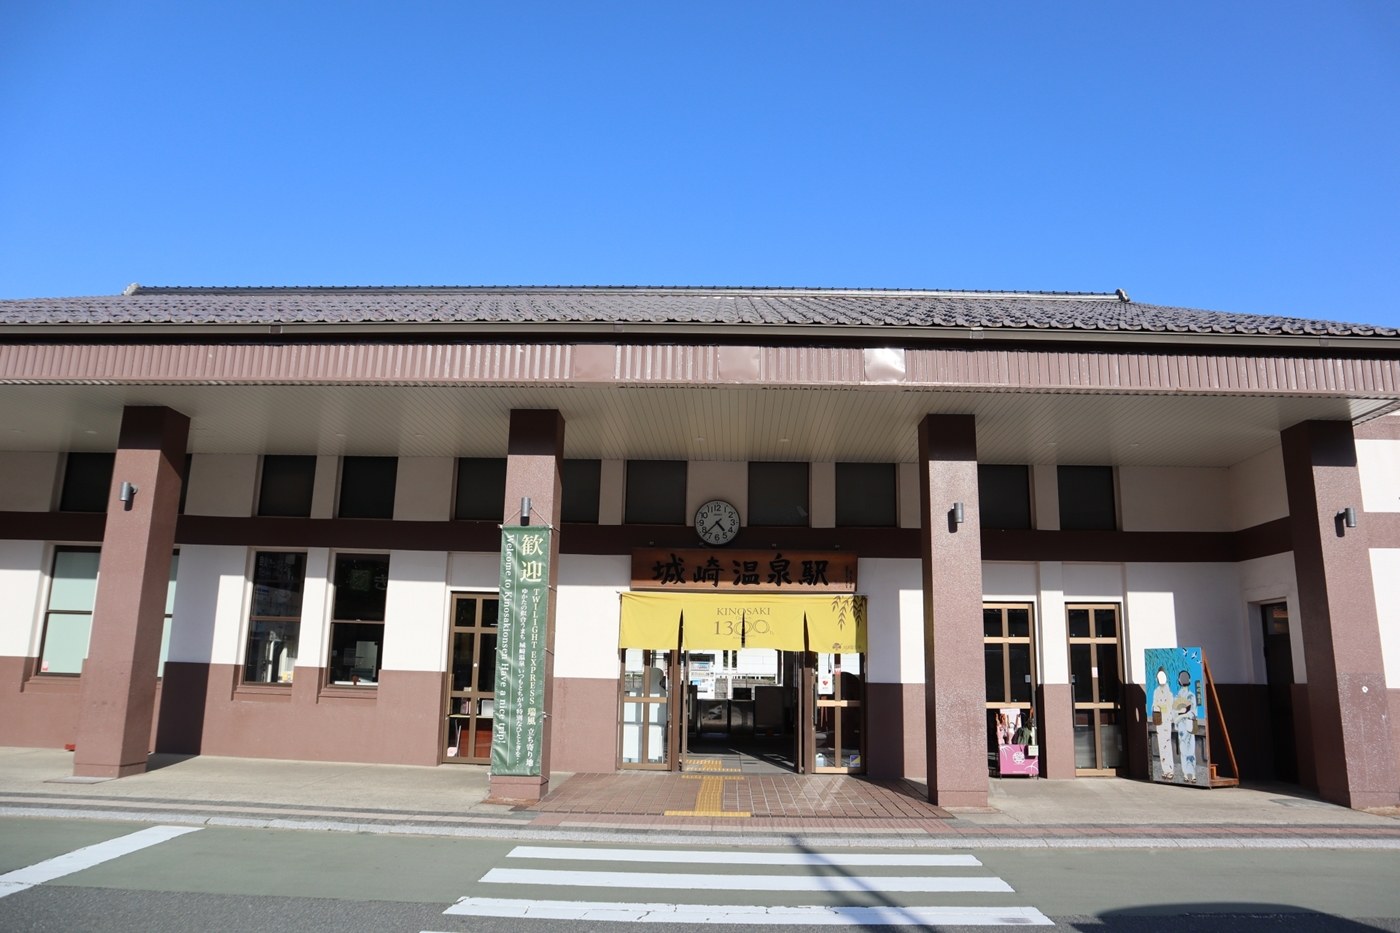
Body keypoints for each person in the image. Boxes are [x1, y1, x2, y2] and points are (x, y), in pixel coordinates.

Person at [1173, 669, 1199, 782]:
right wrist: (1179, 718)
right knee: (1184, 749)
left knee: (1189, 749)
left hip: (1187, 722)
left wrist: (1182, 714)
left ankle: (1191, 773)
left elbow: (1193, 712)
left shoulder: (1190, 696)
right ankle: (1186, 773)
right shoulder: (1178, 696)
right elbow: (1174, 711)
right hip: (1183, 725)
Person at [1151, 667, 1176, 780]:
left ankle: (1170, 769)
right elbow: (1154, 704)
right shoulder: (1156, 692)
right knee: (1161, 745)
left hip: (1166, 719)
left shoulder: (1169, 692)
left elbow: (1171, 707)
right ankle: (1164, 769)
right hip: (1158, 718)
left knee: (1167, 743)